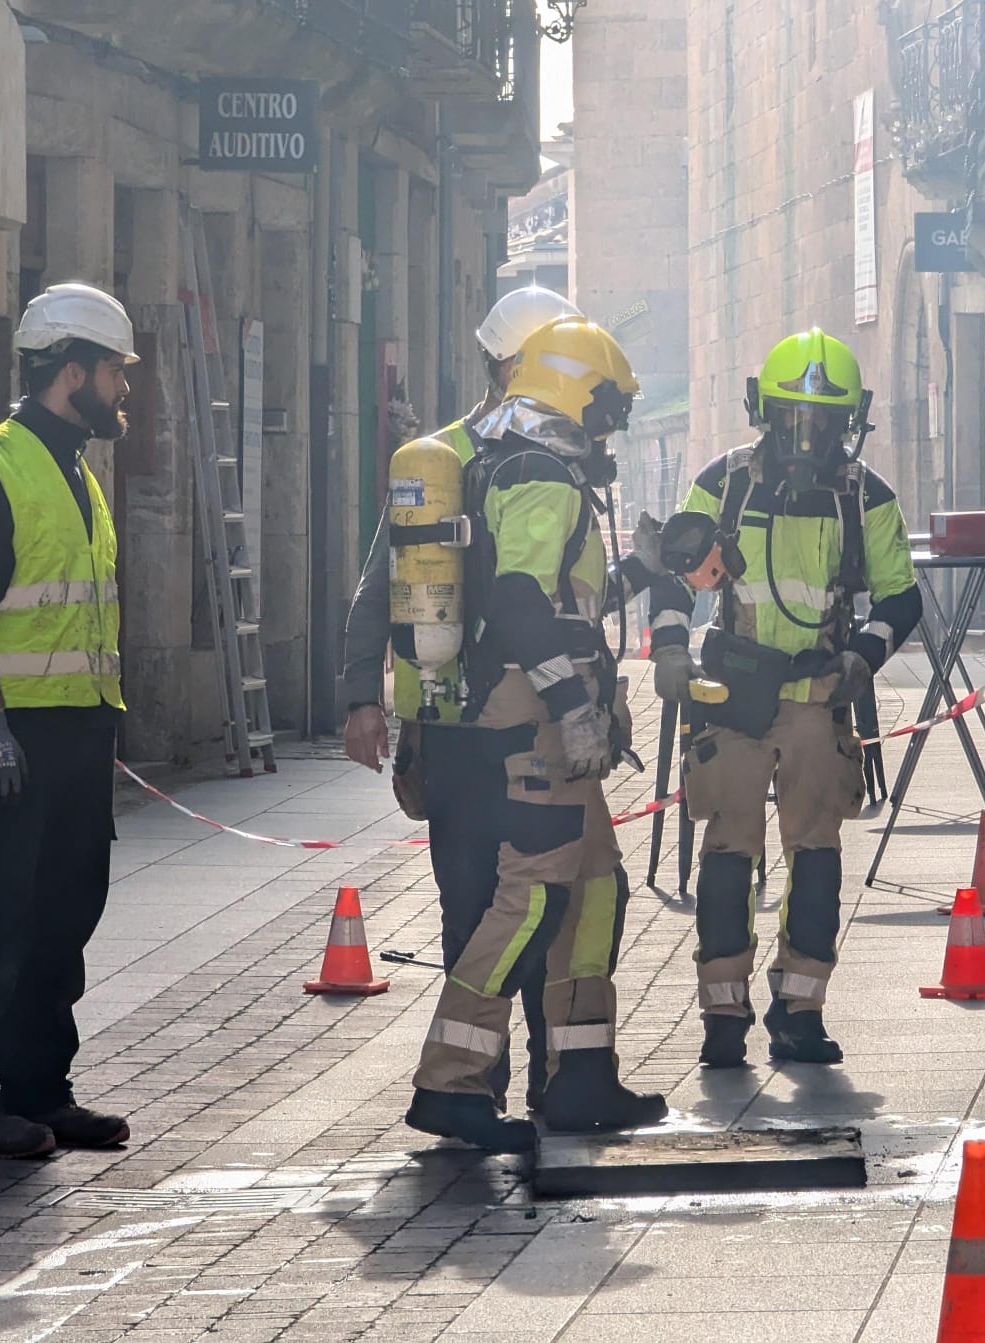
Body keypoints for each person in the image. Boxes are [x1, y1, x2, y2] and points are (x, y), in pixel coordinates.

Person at [405, 316, 669, 1152]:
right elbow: (519, 602)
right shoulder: (544, 474)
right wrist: (576, 707)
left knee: (595, 885)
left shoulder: (508, 462)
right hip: (533, 722)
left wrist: (641, 569)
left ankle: (581, 1076)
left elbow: (558, 605)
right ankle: (451, 1081)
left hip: (534, 713)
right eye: (606, 411)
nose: (608, 432)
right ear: (575, 394)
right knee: (532, 898)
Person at [648, 328, 920, 1067]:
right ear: (765, 412)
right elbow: (673, 574)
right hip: (733, 693)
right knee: (728, 850)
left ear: (847, 422)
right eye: (796, 418)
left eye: (824, 421)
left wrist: (864, 655)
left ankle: (800, 1011)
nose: (809, 436)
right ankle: (724, 1016)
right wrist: (671, 647)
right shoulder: (725, 484)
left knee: (818, 852)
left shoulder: (868, 497)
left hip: (816, 695)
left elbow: (901, 598)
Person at [342, 286, 581, 1117]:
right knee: (526, 907)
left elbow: (374, 588)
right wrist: (358, 698)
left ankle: (501, 1086)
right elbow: (388, 586)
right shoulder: (507, 464)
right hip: (506, 726)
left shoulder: (435, 458)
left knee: (480, 905)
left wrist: (363, 701)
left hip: (441, 728)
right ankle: (500, 1087)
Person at [0, 283, 134, 1159]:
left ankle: (40, 1088)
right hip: (9, 735)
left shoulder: (75, 468)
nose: (126, 390)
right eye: (117, 373)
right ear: (72, 371)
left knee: (62, 912)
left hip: (76, 730)